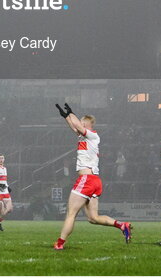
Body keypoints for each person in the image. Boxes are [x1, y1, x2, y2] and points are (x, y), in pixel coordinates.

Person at [52, 103, 132, 250]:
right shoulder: (84, 137)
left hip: (87, 180)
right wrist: (66, 116)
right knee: (93, 218)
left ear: (89, 125)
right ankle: (122, 226)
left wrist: (72, 113)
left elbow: (77, 125)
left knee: (71, 213)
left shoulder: (93, 135)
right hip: (94, 180)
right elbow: (74, 126)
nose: (80, 125)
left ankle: (59, 243)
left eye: (83, 123)